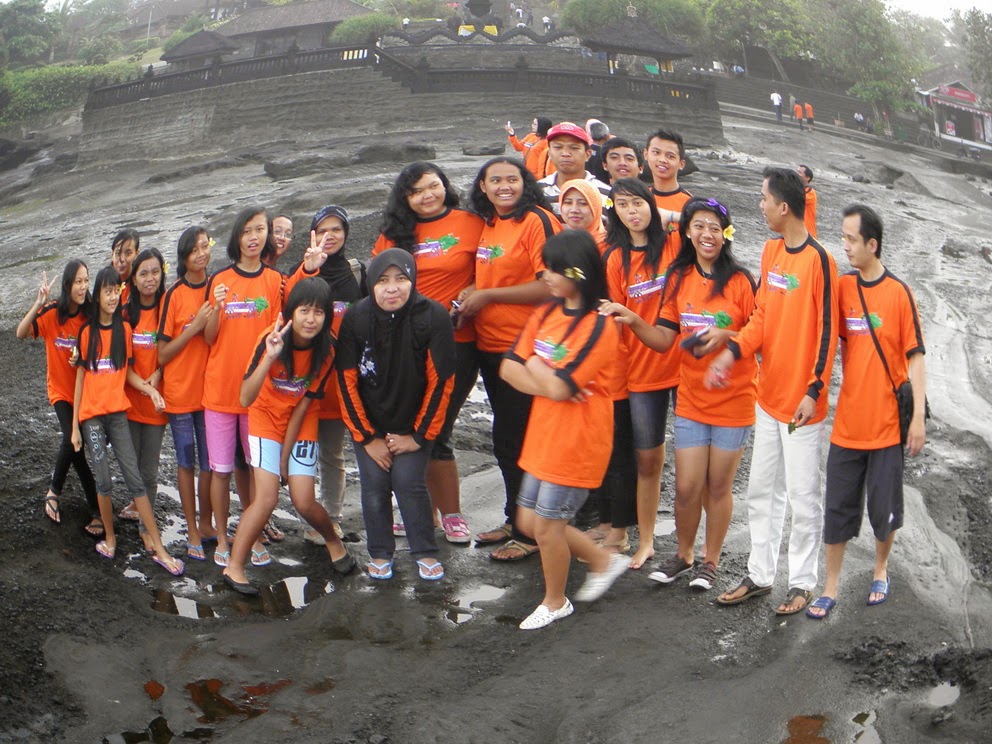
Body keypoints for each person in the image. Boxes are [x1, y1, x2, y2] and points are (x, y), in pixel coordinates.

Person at [601, 197, 757, 590]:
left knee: (717, 486)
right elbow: (663, 340)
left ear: (726, 234)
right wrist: (633, 319)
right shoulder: (679, 277)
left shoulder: (741, 281)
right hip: (691, 400)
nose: (707, 234)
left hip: (734, 400)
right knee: (687, 487)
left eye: (715, 227)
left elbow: (762, 337)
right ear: (687, 232)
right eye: (699, 226)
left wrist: (728, 335)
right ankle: (684, 556)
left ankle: (711, 561)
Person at [706, 167, 838, 615]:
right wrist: (733, 351)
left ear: (784, 206)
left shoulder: (819, 260)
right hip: (767, 396)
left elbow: (827, 333)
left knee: (803, 496)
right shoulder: (770, 251)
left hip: (802, 405)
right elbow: (761, 315)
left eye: (764, 199)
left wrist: (814, 390)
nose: (759, 206)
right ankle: (760, 575)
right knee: (762, 490)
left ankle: (801, 582)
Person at [501, 230, 628, 629]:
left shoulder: (600, 326)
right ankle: (603, 559)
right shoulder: (545, 313)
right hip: (543, 436)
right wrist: (548, 377)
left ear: (579, 272)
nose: (546, 276)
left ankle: (555, 601)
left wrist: (536, 364)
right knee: (527, 522)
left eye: (555, 270)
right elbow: (508, 369)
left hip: (577, 441)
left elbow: (547, 378)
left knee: (548, 526)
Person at [806, 205, 926, 619]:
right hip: (847, 424)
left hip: (888, 426)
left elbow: (916, 358)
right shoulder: (842, 288)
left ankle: (880, 569)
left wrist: (917, 418)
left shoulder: (899, 293)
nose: (845, 246)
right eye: (843, 237)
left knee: (883, 510)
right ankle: (831, 586)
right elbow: (822, 337)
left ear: (872, 244)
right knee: (837, 508)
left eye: (852, 239)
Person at [375, 162, 484, 544]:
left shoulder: (470, 222)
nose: (427, 196)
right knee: (407, 425)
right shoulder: (393, 234)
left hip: (457, 342)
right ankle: (419, 511)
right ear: (405, 197)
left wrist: (474, 288)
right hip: (403, 346)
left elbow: (491, 268)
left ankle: (451, 514)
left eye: (433, 186)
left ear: (445, 186)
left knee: (438, 428)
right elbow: (378, 284)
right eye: (417, 191)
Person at [222, 279, 353, 595]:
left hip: (301, 419)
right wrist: (269, 357)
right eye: (304, 310)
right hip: (264, 417)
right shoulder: (270, 338)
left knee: (303, 500)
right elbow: (245, 397)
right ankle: (234, 567)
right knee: (266, 498)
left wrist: (284, 459)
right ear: (291, 311)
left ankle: (333, 542)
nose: (311, 319)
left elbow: (304, 404)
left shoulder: (328, 349)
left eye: (319, 312)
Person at [460, 156, 562, 561]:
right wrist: (473, 291)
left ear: (525, 182)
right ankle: (514, 518)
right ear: (482, 187)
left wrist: (488, 296)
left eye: (512, 179)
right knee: (506, 440)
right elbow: (493, 275)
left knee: (525, 441)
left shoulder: (536, 220)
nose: (505, 186)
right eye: (495, 180)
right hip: (490, 345)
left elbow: (550, 284)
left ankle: (531, 532)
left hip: (526, 348)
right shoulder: (489, 223)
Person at [337, 249, 455, 581]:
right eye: (383, 281)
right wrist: (366, 438)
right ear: (371, 284)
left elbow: (442, 381)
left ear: (412, 280)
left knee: (407, 481)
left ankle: (425, 551)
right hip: (370, 422)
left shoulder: (433, 316)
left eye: (401, 279)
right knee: (374, 484)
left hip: (414, 422)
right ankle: (380, 552)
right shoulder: (357, 318)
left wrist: (418, 436)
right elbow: (345, 381)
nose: (392, 288)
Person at [70, 266, 184, 576]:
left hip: (118, 414)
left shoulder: (125, 330)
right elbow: (80, 377)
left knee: (135, 479)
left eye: (115, 291)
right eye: (106, 291)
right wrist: (75, 427)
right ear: (97, 295)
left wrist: (150, 390)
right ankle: (110, 538)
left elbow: (128, 372)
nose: (111, 297)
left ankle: (159, 547)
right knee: (104, 481)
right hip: (92, 418)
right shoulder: (87, 332)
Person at [602, 177, 681, 570]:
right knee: (648, 461)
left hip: (684, 366)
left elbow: (715, 221)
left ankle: (692, 544)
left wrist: (670, 216)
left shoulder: (674, 243)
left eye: (638, 203)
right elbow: (615, 321)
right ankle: (646, 540)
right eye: (622, 205)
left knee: (694, 465)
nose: (632, 212)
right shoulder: (616, 259)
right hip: (642, 370)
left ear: (651, 204)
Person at [203, 206, 286, 568]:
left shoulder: (274, 281)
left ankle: (252, 536)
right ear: (237, 236)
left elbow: (278, 336)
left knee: (256, 470)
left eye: (260, 230)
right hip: (220, 391)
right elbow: (209, 338)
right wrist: (217, 308)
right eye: (247, 231)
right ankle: (223, 537)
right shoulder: (220, 280)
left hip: (258, 395)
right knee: (221, 470)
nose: (254, 237)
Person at [287, 206, 366, 545]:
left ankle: (331, 519)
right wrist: (308, 269)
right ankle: (305, 516)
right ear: (313, 235)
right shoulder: (303, 271)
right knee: (301, 453)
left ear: (346, 233)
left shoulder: (358, 273)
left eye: (337, 229)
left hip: (341, 383)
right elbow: (286, 307)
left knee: (333, 454)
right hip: (304, 383)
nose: (330, 236)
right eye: (323, 230)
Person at [16, 261, 100, 534]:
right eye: (78, 281)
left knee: (75, 443)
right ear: (67, 285)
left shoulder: (91, 314)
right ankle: (95, 508)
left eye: (86, 281)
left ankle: (55, 491)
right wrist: (38, 302)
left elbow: (100, 349)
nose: (83, 287)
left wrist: (83, 357)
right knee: (73, 441)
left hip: (85, 391)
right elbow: (20, 333)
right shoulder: (53, 312)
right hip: (61, 392)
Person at [158, 226, 216, 558]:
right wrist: (193, 328)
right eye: (194, 249)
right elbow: (162, 354)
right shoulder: (174, 294)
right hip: (180, 393)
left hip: (209, 393)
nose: (201, 254)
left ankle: (206, 523)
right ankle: (192, 530)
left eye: (204, 246)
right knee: (185, 462)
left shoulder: (216, 287)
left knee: (210, 463)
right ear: (183, 257)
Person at [121, 248, 169, 554]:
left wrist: (159, 374)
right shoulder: (126, 314)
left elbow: (174, 352)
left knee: (149, 471)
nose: (150, 278)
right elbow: (123, 367)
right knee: (133, 470)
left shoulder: (167, 308)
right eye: (143, 273)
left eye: (155, 272)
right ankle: (137, 507)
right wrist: (146, 387)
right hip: (130, 402)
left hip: (156, 406)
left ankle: (146, 528)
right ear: (134, 280)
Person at [537, 122, 610, 214]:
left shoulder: (606, 194)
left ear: (587, 154)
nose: (565, 153)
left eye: (574, 148)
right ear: (549, 154)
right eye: (558, 147)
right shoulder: (536, 191)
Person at [643, 129, 692, 216]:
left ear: (681, 164)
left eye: (670, 156)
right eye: (656, 152)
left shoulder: (689, 204)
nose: (662, 160)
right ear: (646, 154)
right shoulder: (640, 196)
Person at [797, 164, 817, 239]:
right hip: (796, 232)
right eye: (796, 171)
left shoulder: (810, 192)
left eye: (799, 172)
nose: (796, 174)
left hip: (808, 234)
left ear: (807, 178)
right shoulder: (795, 189)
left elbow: (796, 198)